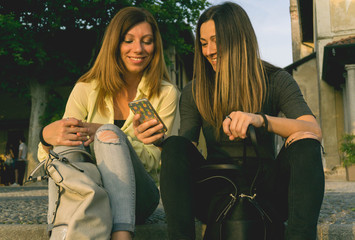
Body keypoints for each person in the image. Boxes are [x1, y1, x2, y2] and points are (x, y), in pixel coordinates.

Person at [160, 2, 324, 240]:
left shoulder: (276, 79)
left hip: (268, 188)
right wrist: (162, 143)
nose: (208, 51)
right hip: (215, 189)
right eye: (204, 43)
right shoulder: (194, 90)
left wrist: (260, 120)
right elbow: (187, 150)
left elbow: (313, 129)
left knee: (306, 143)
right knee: (175, 145)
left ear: (239, 38)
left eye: (217, 40)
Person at [38, 6, 179, 240]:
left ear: (155, 46)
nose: (139, 49)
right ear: (115, 44)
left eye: (147, 41)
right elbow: (55, 158)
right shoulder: (85, 89)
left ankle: (121, 236)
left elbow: (154, 162)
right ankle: (61, 233)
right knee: (66, 147)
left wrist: (114, 137)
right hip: (90, 194)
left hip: (139, 198)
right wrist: (45, 139)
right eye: (128, 40)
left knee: (107, 134)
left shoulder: (165, 93)